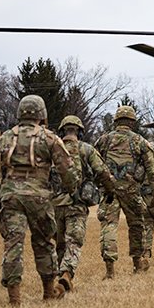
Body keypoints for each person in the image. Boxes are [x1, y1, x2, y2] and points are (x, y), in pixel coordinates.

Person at [0, 95, 79, 306]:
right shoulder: (49, 138)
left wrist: (0, 198)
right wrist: (71, 190)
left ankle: (14, 298)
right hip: (39, 199)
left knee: (13, 246)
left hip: (11, 199)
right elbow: (68, 170)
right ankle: (48, 292)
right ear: (42, 114)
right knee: (44, 243)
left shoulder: (4, 139)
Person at [51, 115, 116, 292]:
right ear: (80, 131)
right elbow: (103, 172)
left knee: (59, 244)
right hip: (77, 205)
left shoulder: (52, 149)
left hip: (54, 206)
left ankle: (60, 279)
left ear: (62, 131)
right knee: (74, 242)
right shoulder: (86, 149)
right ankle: (66, 274)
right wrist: (110, 191)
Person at [94, 105, 154, 278]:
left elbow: (93, 164)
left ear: (116, 121)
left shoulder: (104, 140)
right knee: (136, 226)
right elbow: (152, 171)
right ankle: (137, 264)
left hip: (109, 191)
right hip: (131, 192)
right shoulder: (139, 141)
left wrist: (98, 184)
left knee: (109, 226)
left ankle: (110, 270)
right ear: (132, 122)